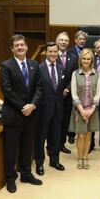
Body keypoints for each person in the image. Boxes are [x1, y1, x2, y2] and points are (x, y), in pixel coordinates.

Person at [0, 34, 42, 193]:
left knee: (27, 145)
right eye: (16, 45)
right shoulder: (6, 66)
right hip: (13, 114)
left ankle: (26, 173)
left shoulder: (34, 64)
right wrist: (24, 106)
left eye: (22, 45)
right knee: (11, 148)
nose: (20, 47)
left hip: (31, 114)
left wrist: (33, 105)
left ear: (27, 47)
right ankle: (10, 178)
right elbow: (7, 91)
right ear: (12, 48)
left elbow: (39, 87)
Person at [34, 42, 66, 177]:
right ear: (46, 53)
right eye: (50, 52)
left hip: (58, 109)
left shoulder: (60, 68)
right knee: (40, 139)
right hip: (43, 110)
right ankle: (39, 163)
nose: (53, 54)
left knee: (55, 137)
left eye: (55, 51)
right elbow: (36, 89)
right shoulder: (39, 68)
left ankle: (54, 160)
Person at [68, 49, 100, 170]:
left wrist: (92, 109)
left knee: (88, 135)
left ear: (91, 60)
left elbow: (98, 93)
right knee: (80, 135)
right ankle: (79, 157)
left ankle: (85, 157)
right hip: (79, 109)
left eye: (88, 59)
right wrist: (82, 110)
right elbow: (74, 93)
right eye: (84, 58)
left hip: (92, 110)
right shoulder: (75, 74)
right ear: (80, 60)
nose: (86, 61)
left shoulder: (96, 73)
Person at [55, 32, 78, 153]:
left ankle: (61, 144)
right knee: (54, 121)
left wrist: (67, 89)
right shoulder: (52, 55)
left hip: (67, 95)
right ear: (57, 42)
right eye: (61, 40)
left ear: (69, 43)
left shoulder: (73, 57)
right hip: (54, 95)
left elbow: (74, 75)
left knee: (64, 121)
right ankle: (52, 145)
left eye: (66, 40)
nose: (64, 42)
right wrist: (59, 90)